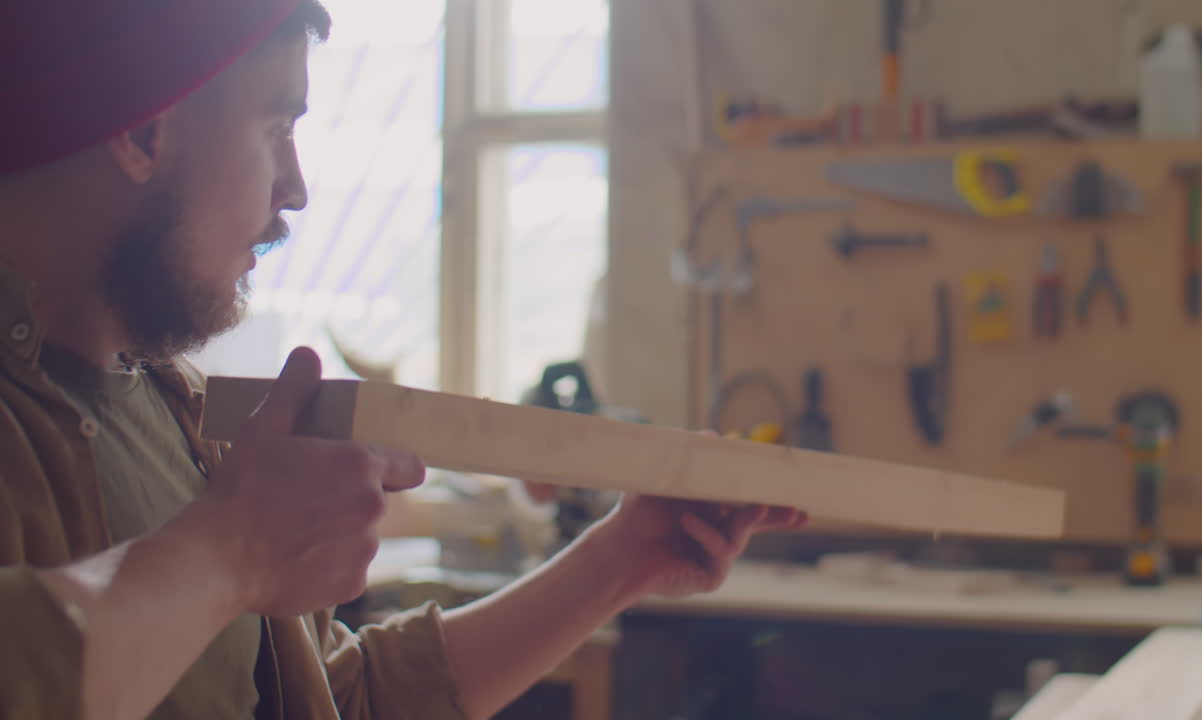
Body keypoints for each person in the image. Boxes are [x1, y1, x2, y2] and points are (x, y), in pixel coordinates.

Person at [0, 1, 807, 719]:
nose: (296, 187)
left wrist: (620, 558)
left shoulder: (172, 411)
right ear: (145, 129)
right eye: (278, 127)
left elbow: (335, 699)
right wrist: (231, 549)